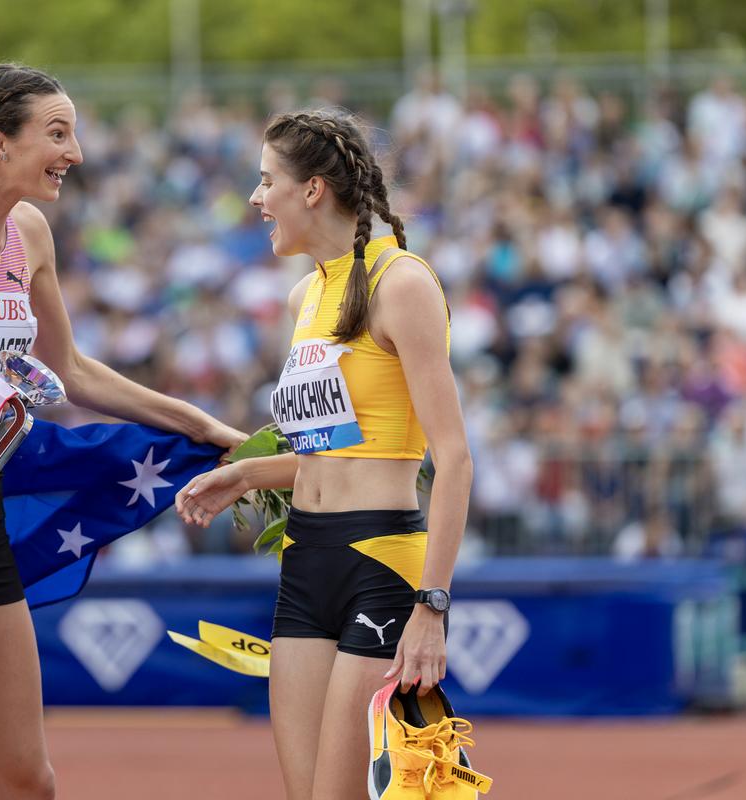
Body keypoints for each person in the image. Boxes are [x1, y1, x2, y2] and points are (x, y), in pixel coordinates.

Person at [0, 63, 245, 800]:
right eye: (57, 133)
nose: (77, 153)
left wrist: (205, 426)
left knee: (29, 782)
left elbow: (73, 372)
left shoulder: (30, 233)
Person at [176, 109, 473, 799]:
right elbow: (331, 454)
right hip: (306, 561)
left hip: (381, 561)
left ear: (312, 190)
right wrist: (248, 472)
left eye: (265, 180)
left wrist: (433, 606)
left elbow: (452, 459)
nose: (255, 198)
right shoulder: (304, 294)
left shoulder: (400, 282)